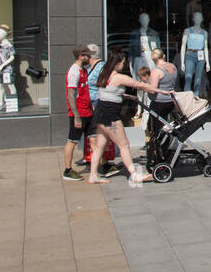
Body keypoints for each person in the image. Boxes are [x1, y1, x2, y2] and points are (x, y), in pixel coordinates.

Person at [88, 47, 164, 187]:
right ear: (118, 63)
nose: (124, 65)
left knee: (100, 147)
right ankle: (134, 174)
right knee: (124, 144)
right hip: (111, 117)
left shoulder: (104, 74)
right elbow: (141, 85)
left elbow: (109, 93)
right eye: (123, 62)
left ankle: (93, 175)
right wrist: (161, 91)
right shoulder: (119, 77)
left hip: (100, 114)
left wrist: (128, 96)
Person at [63, 47, 93, 181]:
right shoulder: (74, 72)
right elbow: (71, 95)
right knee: (72, 141)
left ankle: (103, 164)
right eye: (88, 55)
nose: (90, 58)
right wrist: (76, 116)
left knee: (94, 137)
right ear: (81, 56)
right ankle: (67, 170)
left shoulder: (83, 70)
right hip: (79, 113)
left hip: (87, 112)